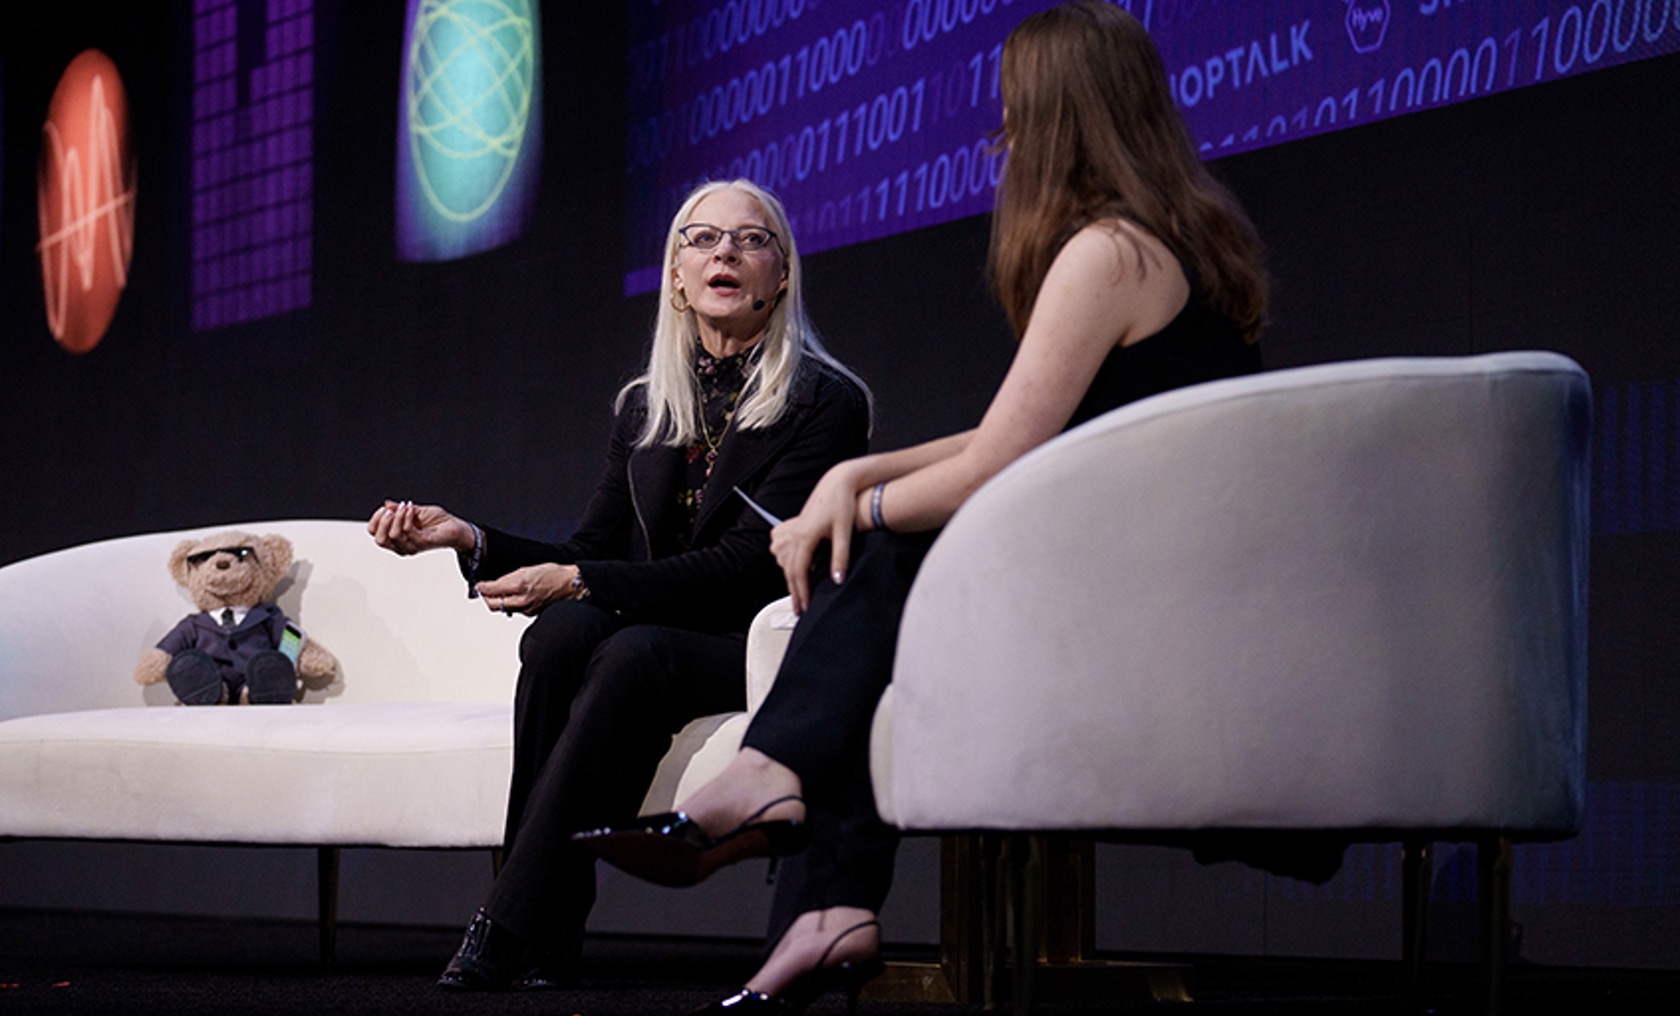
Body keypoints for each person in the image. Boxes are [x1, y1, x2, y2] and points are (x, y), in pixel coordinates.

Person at [579, 4, 1270, 1013]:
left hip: (1141, 604)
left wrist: (853, 505)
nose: (1004, 140)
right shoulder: (1178, 243)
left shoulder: (1106, 252)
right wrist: (852, 478)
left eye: (1016, 115)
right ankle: (827, 905)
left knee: (886, 549)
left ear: (1061, 118)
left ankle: (783, 795)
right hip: (1155, 570)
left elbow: (1003, 459)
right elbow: (1025, 426)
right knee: (889, 563)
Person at [367, 179, 871, 991]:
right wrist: (470, 540)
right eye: (702, 240)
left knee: (630, 650)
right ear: (676, 275)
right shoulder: (648, 406)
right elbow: (596, 549)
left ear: (782, 276)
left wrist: (579, 578)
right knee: (561, 635)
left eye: (751, 240)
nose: (726, 253)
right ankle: (551, 931)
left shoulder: (825, 402)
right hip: (657, 630)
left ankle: (509, 918)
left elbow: (747, 564)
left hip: (755, 641)